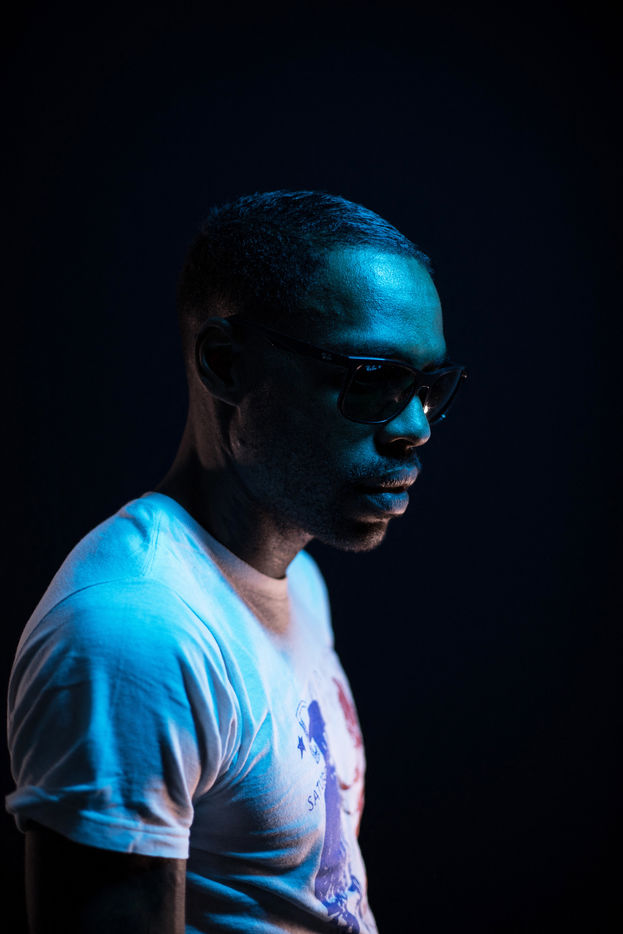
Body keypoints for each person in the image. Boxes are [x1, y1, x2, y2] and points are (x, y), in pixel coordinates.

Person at [6, 190, 466, 933]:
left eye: (427, 388)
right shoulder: (135, 632)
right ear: (225, 365)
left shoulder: (295, 578)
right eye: (370, 379)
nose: (414, 427)